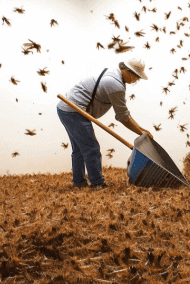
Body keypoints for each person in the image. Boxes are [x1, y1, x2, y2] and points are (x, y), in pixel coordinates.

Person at [57, 58, 153, 190]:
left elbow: (124, 114)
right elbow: (123, 117)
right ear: (129, 72)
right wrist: (141, 132)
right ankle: (97, 183)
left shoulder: (115, 76)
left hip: (66, 108)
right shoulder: (115, 84)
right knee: (91, 148)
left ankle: (79, 182)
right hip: (73, 110)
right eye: (137, 78)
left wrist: (143, 131)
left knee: (79, 149)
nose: (136, 81)